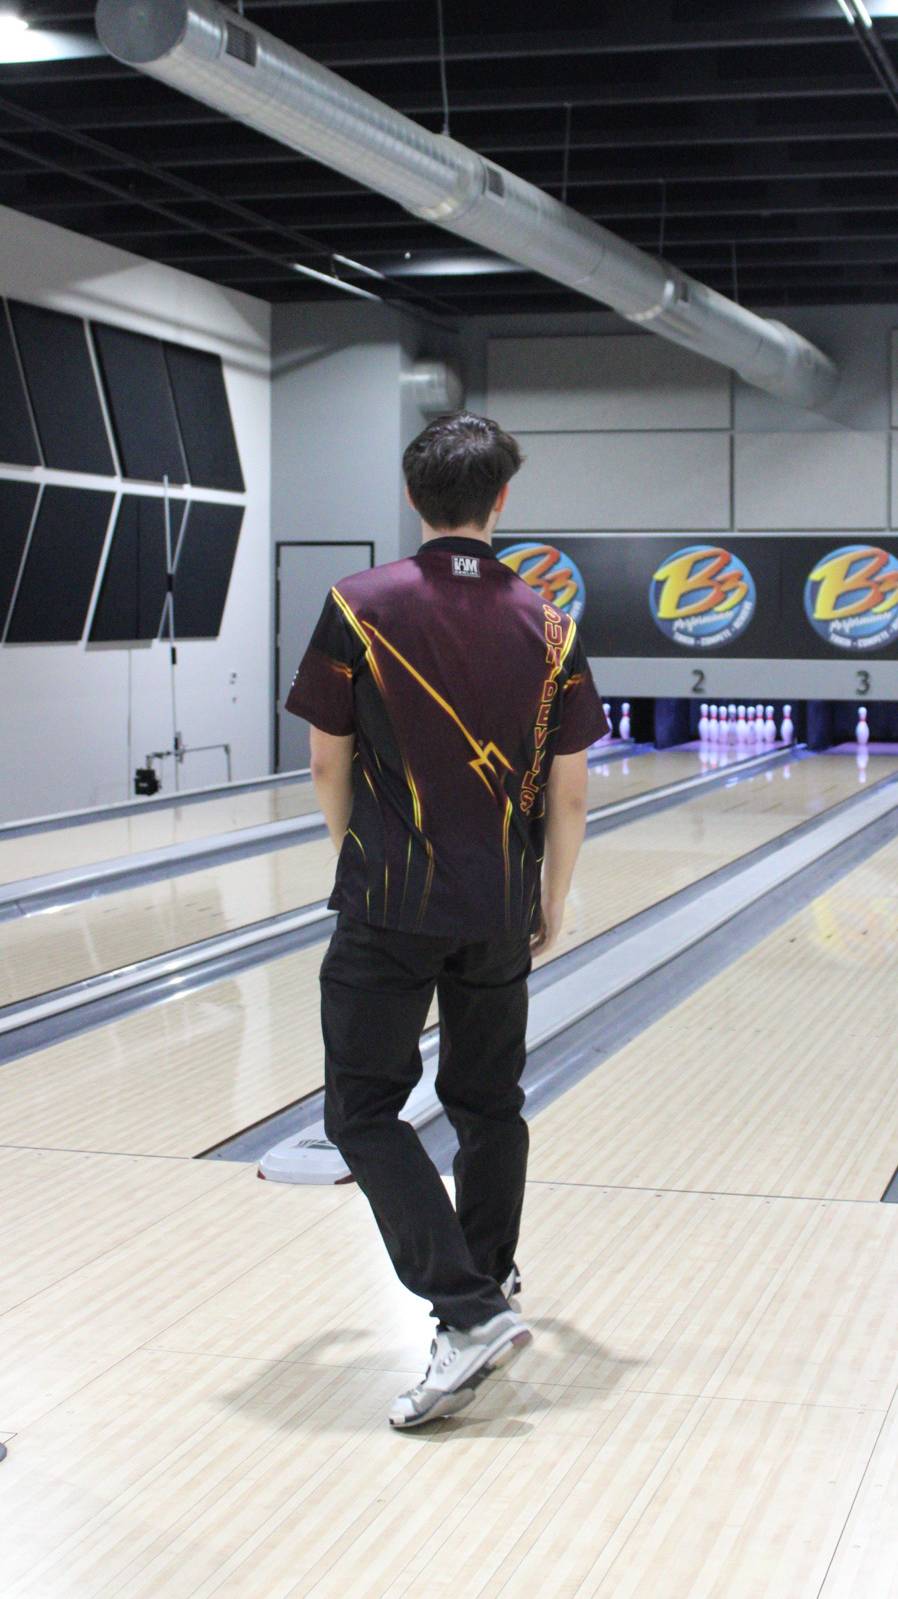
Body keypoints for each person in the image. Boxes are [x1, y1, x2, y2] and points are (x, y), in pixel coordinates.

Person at [285, 412, 605, 1428]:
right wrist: (548, 896)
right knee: (486, 1101)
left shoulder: (357, 605)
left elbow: (329, 760)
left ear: (413, 498)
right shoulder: (550, 625)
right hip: (497, 909)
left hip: (389, 901)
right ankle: (492, 1283)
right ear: (501, 501)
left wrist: (354, 856)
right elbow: (569, 791)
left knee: (362, 1110)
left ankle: (464, 1310)